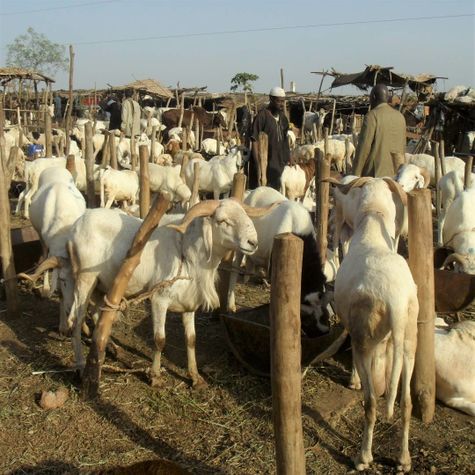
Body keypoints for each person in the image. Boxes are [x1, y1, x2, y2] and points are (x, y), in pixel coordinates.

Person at [352, 83, 406, 178]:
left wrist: (355, 174)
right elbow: (403, 146)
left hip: (375, 174)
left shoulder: (372, 116)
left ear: (373, 97)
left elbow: (364, 148)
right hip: (397, 174)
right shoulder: (400, 117)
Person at [249, 87, 290, 190]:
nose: (281, 104)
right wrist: (258, 163)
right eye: (278, 101)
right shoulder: (262, 116)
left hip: (279, 163)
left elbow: (285, 140)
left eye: (283, 101)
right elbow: (254, 140)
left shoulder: (283, 119)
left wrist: (289, 157)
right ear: (271, 99)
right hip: (265, 164)